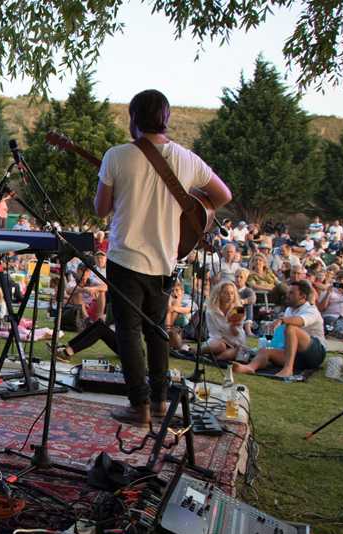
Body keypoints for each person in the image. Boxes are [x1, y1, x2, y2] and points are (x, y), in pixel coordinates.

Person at [93, 89, 232, 425]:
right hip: (165, 261)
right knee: (157, 331)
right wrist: (190, 202)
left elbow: (101, 209)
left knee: (128, 332)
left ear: (133, 118)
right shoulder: (187, 159)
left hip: (126, 257)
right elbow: (222, 195)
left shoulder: (117, 155)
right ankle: (158, 404)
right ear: (166, 119)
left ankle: (138, 407)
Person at [234, 280, 326, 377]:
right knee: (265, 350)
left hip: (315, 353)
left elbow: (300, 321)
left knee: (291, 328)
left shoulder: (311, 310)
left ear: (302, 296)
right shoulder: (289, 310)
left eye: (291, 293)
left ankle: (288, 369)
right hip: (295, 354)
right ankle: (250, 367)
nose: (287, 295)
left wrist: (281, 320)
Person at [204, 281, 247, 362]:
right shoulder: (211, 311)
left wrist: (233, 326)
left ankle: (215, 359)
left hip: (235, 342)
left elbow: (238, 334)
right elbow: (214, 333)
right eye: (226, 293)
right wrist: (224, 342)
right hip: (218, 341)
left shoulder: (239, 310)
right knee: (221, 346)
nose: (230, 296)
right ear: (219, 294)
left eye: (232, 293)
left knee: (233, 352)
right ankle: (199, 351)